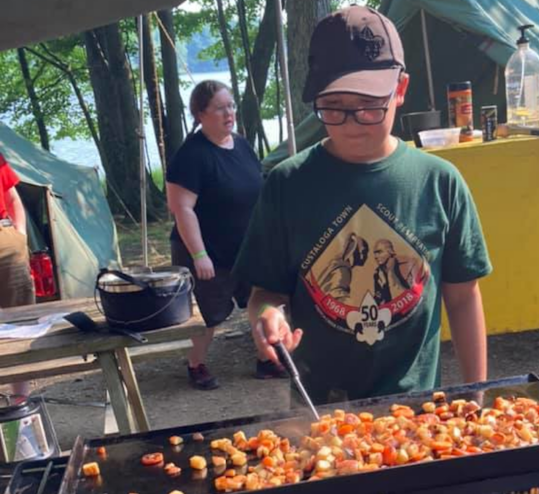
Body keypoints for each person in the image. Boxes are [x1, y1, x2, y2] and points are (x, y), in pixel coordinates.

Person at [234, 5, 492, 404]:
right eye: (334, 107)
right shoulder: (287, 184)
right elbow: (264, 293)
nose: (352, 122)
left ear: (401, 89)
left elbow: (463, 297)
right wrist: (266, 317)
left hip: (418, 406)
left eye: (369, 105)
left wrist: (476, 396)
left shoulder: (440, 182)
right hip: (319, 408)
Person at [166, 80, 264, 390]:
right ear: (200, 114)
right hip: (206, 251)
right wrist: (199, 255)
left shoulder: (242, 144)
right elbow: (182, 209)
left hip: (246, 247)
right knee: (208, 316)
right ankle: (196, 364)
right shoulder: (191, 156)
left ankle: (267, 359)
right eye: (220, 108)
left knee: (259, 302)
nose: (229, 113)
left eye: (231, 106)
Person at [0, 152, 35, 400]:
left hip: (5, 240)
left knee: (20, 320)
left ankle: (20, 402)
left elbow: (12, 197)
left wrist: (20, 233)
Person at [372, 238, 424, 304]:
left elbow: (413, 295)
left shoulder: (409, 264)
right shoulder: (378, 273)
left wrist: (391, 272)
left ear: (389, 251)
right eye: (375, 253)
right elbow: (379, 299)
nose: (376, 256)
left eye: (379, 252)